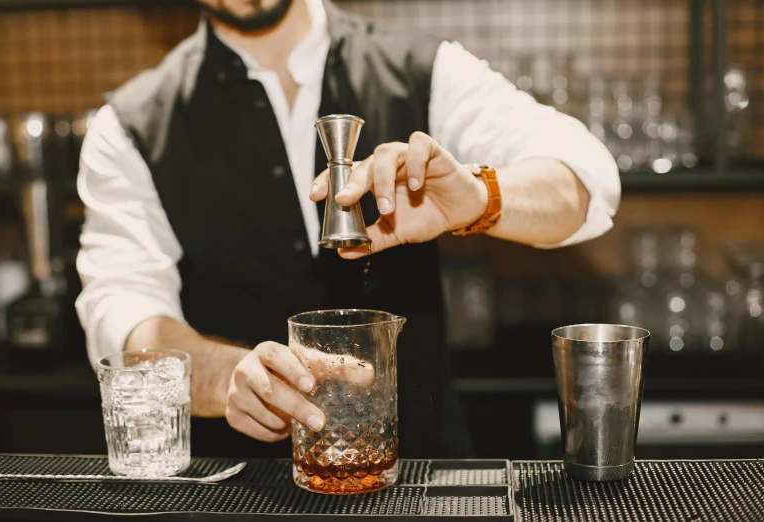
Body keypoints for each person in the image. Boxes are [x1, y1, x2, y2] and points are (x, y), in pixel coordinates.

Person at [76, 0, 620, 459]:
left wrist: (478, 198)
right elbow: (122, 310)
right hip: (243, 491)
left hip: (422, 482)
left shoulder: (425, 68)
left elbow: (584, 180)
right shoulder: (128, 127)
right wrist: (228, 375)